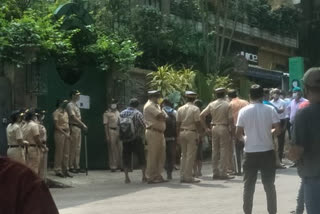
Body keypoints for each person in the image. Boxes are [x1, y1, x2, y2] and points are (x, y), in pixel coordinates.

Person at [236, 84, 280, 214]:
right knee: (269, 186)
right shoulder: (270, 109)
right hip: (267, 151)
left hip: (250, 152)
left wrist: (245, 139)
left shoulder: (243, 111)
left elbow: (238, 133)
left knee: (248, 187)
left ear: (250, 96)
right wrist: (270, 133)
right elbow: (278, 129)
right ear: (262, 95)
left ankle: (247, 212)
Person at [288, 67, 320, 214]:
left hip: (314, 177)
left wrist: (289, 156)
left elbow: (297, 150)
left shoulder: (304, 114)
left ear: (306, 88)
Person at [200, 88, 234, 180]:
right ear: (224, 94)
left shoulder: (212, 104)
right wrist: (232, 131)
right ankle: (223, 172)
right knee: (224, 150)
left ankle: (215, 172)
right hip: (224, 127)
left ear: (216, 95)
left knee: (215, 150)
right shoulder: (227, 105)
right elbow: (231, 120)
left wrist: (206, 128)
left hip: (214, 127)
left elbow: (201, 115)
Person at [177, 91, 203, 183]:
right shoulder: (195, 109)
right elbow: (197, 122)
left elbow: (178, 123)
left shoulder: (180, 109)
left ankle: (182, 176)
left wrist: (177, 135)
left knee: (183, 155)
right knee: (190, 155)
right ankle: (188, 176)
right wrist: (200, 133)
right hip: (191, 133)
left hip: (182, 132)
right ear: (194, 98)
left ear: (186, 98)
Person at [120, 98, 147, 183]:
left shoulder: (122, 113)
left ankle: (126, 178)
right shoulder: (138, 113)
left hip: (125, 139)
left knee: (126, 157)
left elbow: (119, 125)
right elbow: (144, 125)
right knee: (141, 156)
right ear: (137, 105)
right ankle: (143, 176)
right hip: (136, 138)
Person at [143, 90, 167, 184]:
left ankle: (158, 175)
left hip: (160, 133)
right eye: (157, 97)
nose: (159, 99)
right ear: (153, 97)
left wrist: (163, 115)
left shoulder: (156, 105)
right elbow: (161, 116)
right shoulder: (149, 106)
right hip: (153, 132)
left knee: (161, 155)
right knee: (153, 155)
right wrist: (163, 115)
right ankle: (151, 177)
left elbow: (165, 116)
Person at [228, 89, 249, 175]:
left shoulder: (230, 104)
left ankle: (238, 170)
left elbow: (230, 119)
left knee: (237, 150)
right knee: (247, 149)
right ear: (237, 94)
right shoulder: (246, 102)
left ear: (229, 96)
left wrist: (233, 132)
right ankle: (247, 168)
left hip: (236, 128)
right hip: (247, 128)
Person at [66, 90, 88, 173]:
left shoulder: (76, 105)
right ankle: (71, 166)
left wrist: (81, 125)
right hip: (73, 127)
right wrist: (83, 124)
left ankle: (77, 166)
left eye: (79, 95)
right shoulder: (70, 105)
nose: (78, 96)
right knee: (73, 147)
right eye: (76, 95)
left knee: (78, 148)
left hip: (78, 127)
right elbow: (73, 117)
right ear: (72, 96)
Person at [53, 100, 72, 178]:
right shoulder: (56, 113)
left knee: (66, 153)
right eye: (64, 103)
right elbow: (56, 126)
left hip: (67, 133)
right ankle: (58, 170)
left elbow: (67, 123)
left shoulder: (66, 112)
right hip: (60, 133)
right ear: (60, 104)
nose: (65, 105)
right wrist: (65, 133)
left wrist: (69, 133)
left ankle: (65, 170)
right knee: (59, 152)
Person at [103, 99, 122, 172]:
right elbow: (105, 125)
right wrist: (107, 135)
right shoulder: (106, 113)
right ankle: (113, 166)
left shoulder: (118, 112)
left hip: (118, 130)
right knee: (112, 149)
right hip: (111, 131)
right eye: (112, 103)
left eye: (115, 103)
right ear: (110, 104)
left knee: (120, 148)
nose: (114, 104)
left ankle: (121, 165)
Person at [22, 109, 42, 174]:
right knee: (34, 168)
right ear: (33, 116)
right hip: (33, 148)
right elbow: (37, 138)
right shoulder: (34, 125)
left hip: (25, 148)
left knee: (27, 167)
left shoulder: (24, 125)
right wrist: (41, 146)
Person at [162, 98, 177, 180]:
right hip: (172, 137)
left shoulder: (160, 111)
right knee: (171, 155)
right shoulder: (174, 112)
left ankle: (165, 168)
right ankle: (169, 173)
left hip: (162, 136)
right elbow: (177, 124)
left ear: (163, 104)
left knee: (163, 155)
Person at [270, 89, 287, 163]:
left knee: (280, 141)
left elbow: (284, 113)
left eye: (277, 93)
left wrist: (285, 126)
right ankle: (273, 158)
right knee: (273, 140)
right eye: (274, 93)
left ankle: (279, 159)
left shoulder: (283, 102)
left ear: (279, 94)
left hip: (281, 121)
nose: (275, 95)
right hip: (272, 122)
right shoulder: (270, 103)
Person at [35, 109, 49, 180]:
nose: (43, 116)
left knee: (43, 167)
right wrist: (43, 147)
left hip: (43, 145)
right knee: (39, 167)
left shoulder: (40, 123)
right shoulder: (36, 124)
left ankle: (42, 182)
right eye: (41, 114)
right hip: (39, 146)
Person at [193, 99, 204, 177]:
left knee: (195, 154)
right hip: (199, 135)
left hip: (196, 134)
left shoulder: (196, 113)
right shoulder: (202, 114)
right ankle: (199, 171)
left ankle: (196, 171)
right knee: (199, 154)